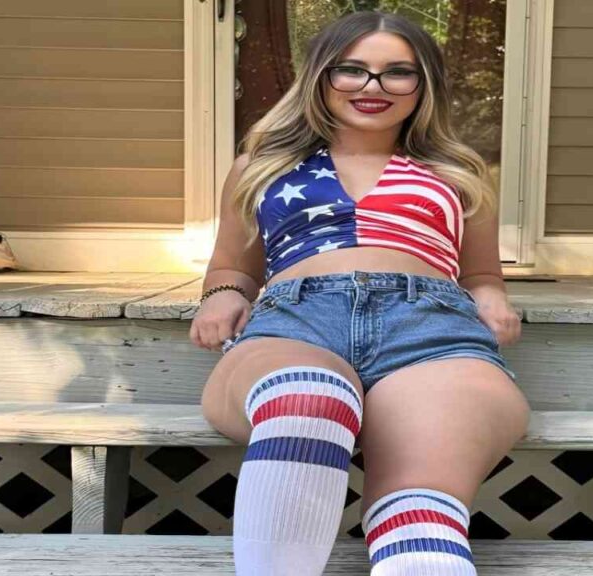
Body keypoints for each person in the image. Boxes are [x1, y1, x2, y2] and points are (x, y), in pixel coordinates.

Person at [189, 10, 530, 575]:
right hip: (296, 323)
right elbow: (232, 265)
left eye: (399, 72)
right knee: (307, 396)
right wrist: (221, 293)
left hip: (432, 331)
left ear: (424, 86)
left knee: (422, 521)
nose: (373, 87)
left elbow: (479, 274)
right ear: (321, 77)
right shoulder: (266, 163)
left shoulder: (457, 172)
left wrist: (491, 296)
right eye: (352, 70)